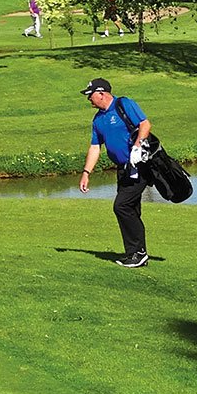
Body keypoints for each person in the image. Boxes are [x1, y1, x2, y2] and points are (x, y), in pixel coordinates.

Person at [77, 77, 152, 267]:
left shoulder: (123, 104)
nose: (89, 100)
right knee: (131, 209)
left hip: (139, 165)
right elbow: (95, 147)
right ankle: (136, 254)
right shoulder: (98, 119)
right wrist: (86, 172)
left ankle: (138, 252)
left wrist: (137, 147)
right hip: (123, 169)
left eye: (90, 95)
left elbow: (145, 124)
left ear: (101, 93)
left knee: (121, 206)